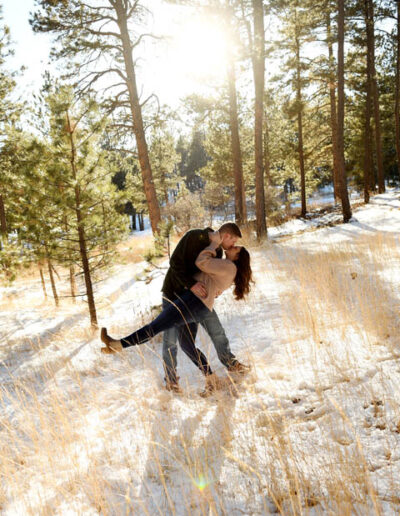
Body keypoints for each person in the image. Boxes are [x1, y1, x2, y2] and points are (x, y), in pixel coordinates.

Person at [100, 232, 253, 394]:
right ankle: (212, 379)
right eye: (234, 242)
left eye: (236, 248)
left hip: (192, 303)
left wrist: (213, 244)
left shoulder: (228, 266)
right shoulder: (225, 265)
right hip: (195, 304)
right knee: (186, 344)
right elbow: (202, 274)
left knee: (156, 326)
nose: (233, 245)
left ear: (237, 257)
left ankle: (119, 344)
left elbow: (201, 262)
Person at [161, 223, 250, 392]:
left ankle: (230, 364)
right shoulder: (194, 236)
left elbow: (212, 273)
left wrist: (216, 289)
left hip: (199, 299)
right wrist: (192, 284)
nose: (232, 246)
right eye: (233, 241)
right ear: (226, 236)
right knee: (170, 341)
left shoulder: (217, 251)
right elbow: (175, 263)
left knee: (217, 332)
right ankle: (171, 381)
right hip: (174, 294)